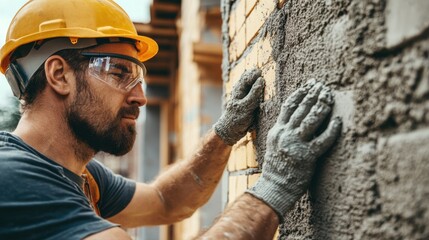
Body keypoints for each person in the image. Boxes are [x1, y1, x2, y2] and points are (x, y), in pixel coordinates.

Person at [0, 0, 342, 239]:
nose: (140, 96)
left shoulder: (78, 174)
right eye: (119, 73)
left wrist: (224, 133)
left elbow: (167, 201)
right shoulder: (14, 180)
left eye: (138, 77)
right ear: (59, 75)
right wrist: (274, 188)